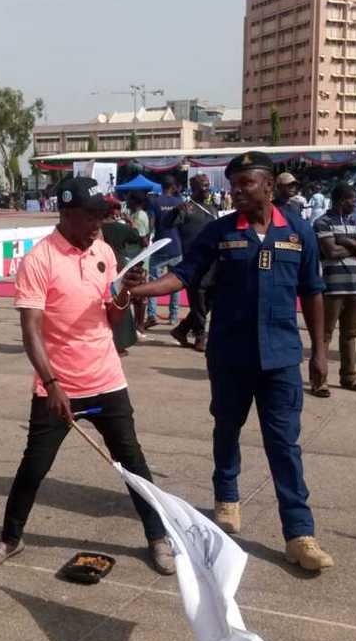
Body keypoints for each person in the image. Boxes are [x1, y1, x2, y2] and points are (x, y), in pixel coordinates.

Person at [129, 152, 334, 572]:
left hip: (281, 358)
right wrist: (141, 291)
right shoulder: (219, 232)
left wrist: (321, 351)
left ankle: (299, 533)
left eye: (246, 183)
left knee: (285, 445)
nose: (237, 190)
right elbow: (185, 274)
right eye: (234, 184)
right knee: (227, 428)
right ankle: (227, 496)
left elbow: (313, 291)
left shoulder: (298, 232)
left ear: (269, 185)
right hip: (230, 354)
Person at [0, 177, 176, 576]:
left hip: (106, 379)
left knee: (132, 462)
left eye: (102, 215)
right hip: (58, 386)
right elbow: (30, 330)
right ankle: (10, 539)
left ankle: (158, 538)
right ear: (67, 214)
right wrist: (51, 384)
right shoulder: (40, 260)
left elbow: (111, 316)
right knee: (34, 466)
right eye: (91, 216)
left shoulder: (103, 251)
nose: (98, 224)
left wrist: (124, 294)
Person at [311, 184, 356, 397]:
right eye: (352, 200)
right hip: (331, 288)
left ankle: (349, 376)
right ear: (340, 201)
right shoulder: (322, 222)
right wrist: (355, 245)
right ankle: (319, 380)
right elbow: (330, 251)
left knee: (350, 335)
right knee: (324, 335)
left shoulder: (352, 223)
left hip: (355, 287)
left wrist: (345, 240)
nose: (355, 204)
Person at [170, 174, 218, 352]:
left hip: (213, 261)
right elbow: (167, 224)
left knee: (210, 299)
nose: (206, 189)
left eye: (207, 185)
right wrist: (175, 211)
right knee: (198, 298)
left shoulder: (212, 208)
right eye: (202, 186)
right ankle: (199, 335)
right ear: (194, 187)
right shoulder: (186, 208)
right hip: (194, 262)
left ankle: (181, 329)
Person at [100, 198, 143, 355]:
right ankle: (121, 343)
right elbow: (138, 236)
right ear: (114, 211)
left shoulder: (95, 227)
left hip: (100, 267)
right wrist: (130, 221)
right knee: (120, 304)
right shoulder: (121, 228)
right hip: (118, 266)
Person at [144, 176, 183, 329]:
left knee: (154, 281)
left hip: (160, 246)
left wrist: (148, 237)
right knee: (177, 283)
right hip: (175, 246)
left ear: (161, 187)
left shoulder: (154, 202)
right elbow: (181, 223)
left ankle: (152, 315)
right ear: (173, 187)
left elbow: (151, 223)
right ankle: (173, 316)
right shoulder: (178, 202)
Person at [126, 192, 151, 334]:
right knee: (135, 295)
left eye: (129, 199)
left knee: (139, 296)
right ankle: (137, 325)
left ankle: (139, 325)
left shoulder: (140, 216)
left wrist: (130, 223)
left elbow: (143, 240)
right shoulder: (136, 215)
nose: (126, 202)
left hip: (138, 260)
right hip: (134, 259)